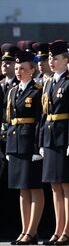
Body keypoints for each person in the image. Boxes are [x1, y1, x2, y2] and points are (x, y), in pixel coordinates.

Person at [39, 41, 69, 246]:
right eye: (50, 58)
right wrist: (40, 141)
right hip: (49, 137)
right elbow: (44, 114)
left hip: (63, 137)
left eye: (56, 58)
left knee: (67, 185)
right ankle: (58, 229)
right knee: (55, 186)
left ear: (66, 60)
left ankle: (68, 230)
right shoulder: (48, 83)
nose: (52, 61)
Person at [6, 50, 44, 245]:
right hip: (15, 142)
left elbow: (40, 121)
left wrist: (38, 148)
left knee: (34, 187)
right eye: (17, 68)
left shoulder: (37, 91)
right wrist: (8, 148)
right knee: (22, 189)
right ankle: (25, 229)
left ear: (32, 70)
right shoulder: (13, 91)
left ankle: (32, 230)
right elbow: (10, 120)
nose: (18, 71)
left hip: (30, 143)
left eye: (23, 68)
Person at [0, 44, 20, 180]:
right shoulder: (2, 84)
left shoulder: (18, 86)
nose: (4, 65)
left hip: (13, 134)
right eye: (3, 62)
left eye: (8, 63)